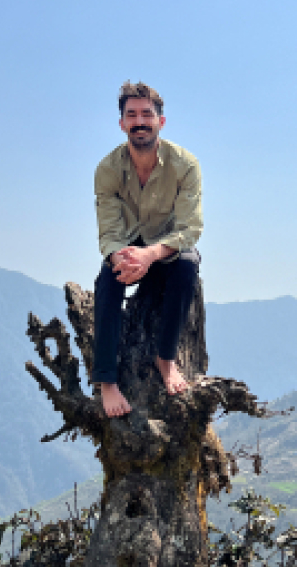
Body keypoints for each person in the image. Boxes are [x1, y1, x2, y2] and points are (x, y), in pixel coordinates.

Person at [93, 81, 203, 418]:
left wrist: (151, 255)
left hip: (167, 250)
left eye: (146, 114)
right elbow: (109, 233)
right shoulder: (108, 170)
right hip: (128, 250)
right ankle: (106, 382)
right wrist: (122, 257)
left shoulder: (185, 165)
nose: (140, 121)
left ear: (161, 121)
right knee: (107, 281)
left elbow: (189, 229)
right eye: (132, 115)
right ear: (122, 124)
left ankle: (165, 359)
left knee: (188, 267)